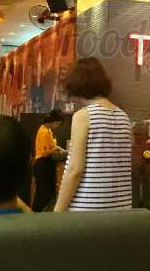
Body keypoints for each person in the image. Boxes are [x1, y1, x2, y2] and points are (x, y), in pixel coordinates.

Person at [54, 57, 133, 212]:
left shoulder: (84, 116)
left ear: (78, 83)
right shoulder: (123, 116)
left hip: (88, 210)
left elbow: (75, 170)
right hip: (121, 209)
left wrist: (57, 211)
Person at [32, 109, 67, 212]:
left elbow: (53, 145)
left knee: (47, 194)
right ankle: (35, 215)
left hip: (46, 164)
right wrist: (55, 150)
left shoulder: (48, 130)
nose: (58, 126)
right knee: (42, 194)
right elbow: (45, 153)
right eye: (58, 124)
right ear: (54, 122)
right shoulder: (43, 131)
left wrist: (61, 149)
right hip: (41, 164)